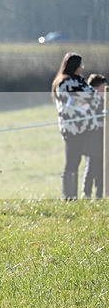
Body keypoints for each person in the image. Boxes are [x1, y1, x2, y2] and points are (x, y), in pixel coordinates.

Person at [52, 53, 102, 200]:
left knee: (91, 158)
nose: (83, 67)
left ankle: (88, 193)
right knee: (72, 162)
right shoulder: (66, 83)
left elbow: (93, 99)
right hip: (74, 129)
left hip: (86, 128)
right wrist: (91, 100)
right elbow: (92, 98)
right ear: (75, 66)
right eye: (81, 65)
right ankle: (69, 196)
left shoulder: (78, 81)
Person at [83, 73, 106, 199]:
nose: (105, 92)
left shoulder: (104, 102)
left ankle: (99, 193)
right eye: (103, 89)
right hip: (92, 138)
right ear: (95, 89)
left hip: (103, 138)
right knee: (92, 165)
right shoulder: (91, 102)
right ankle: (86, 193)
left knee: (102, 166)